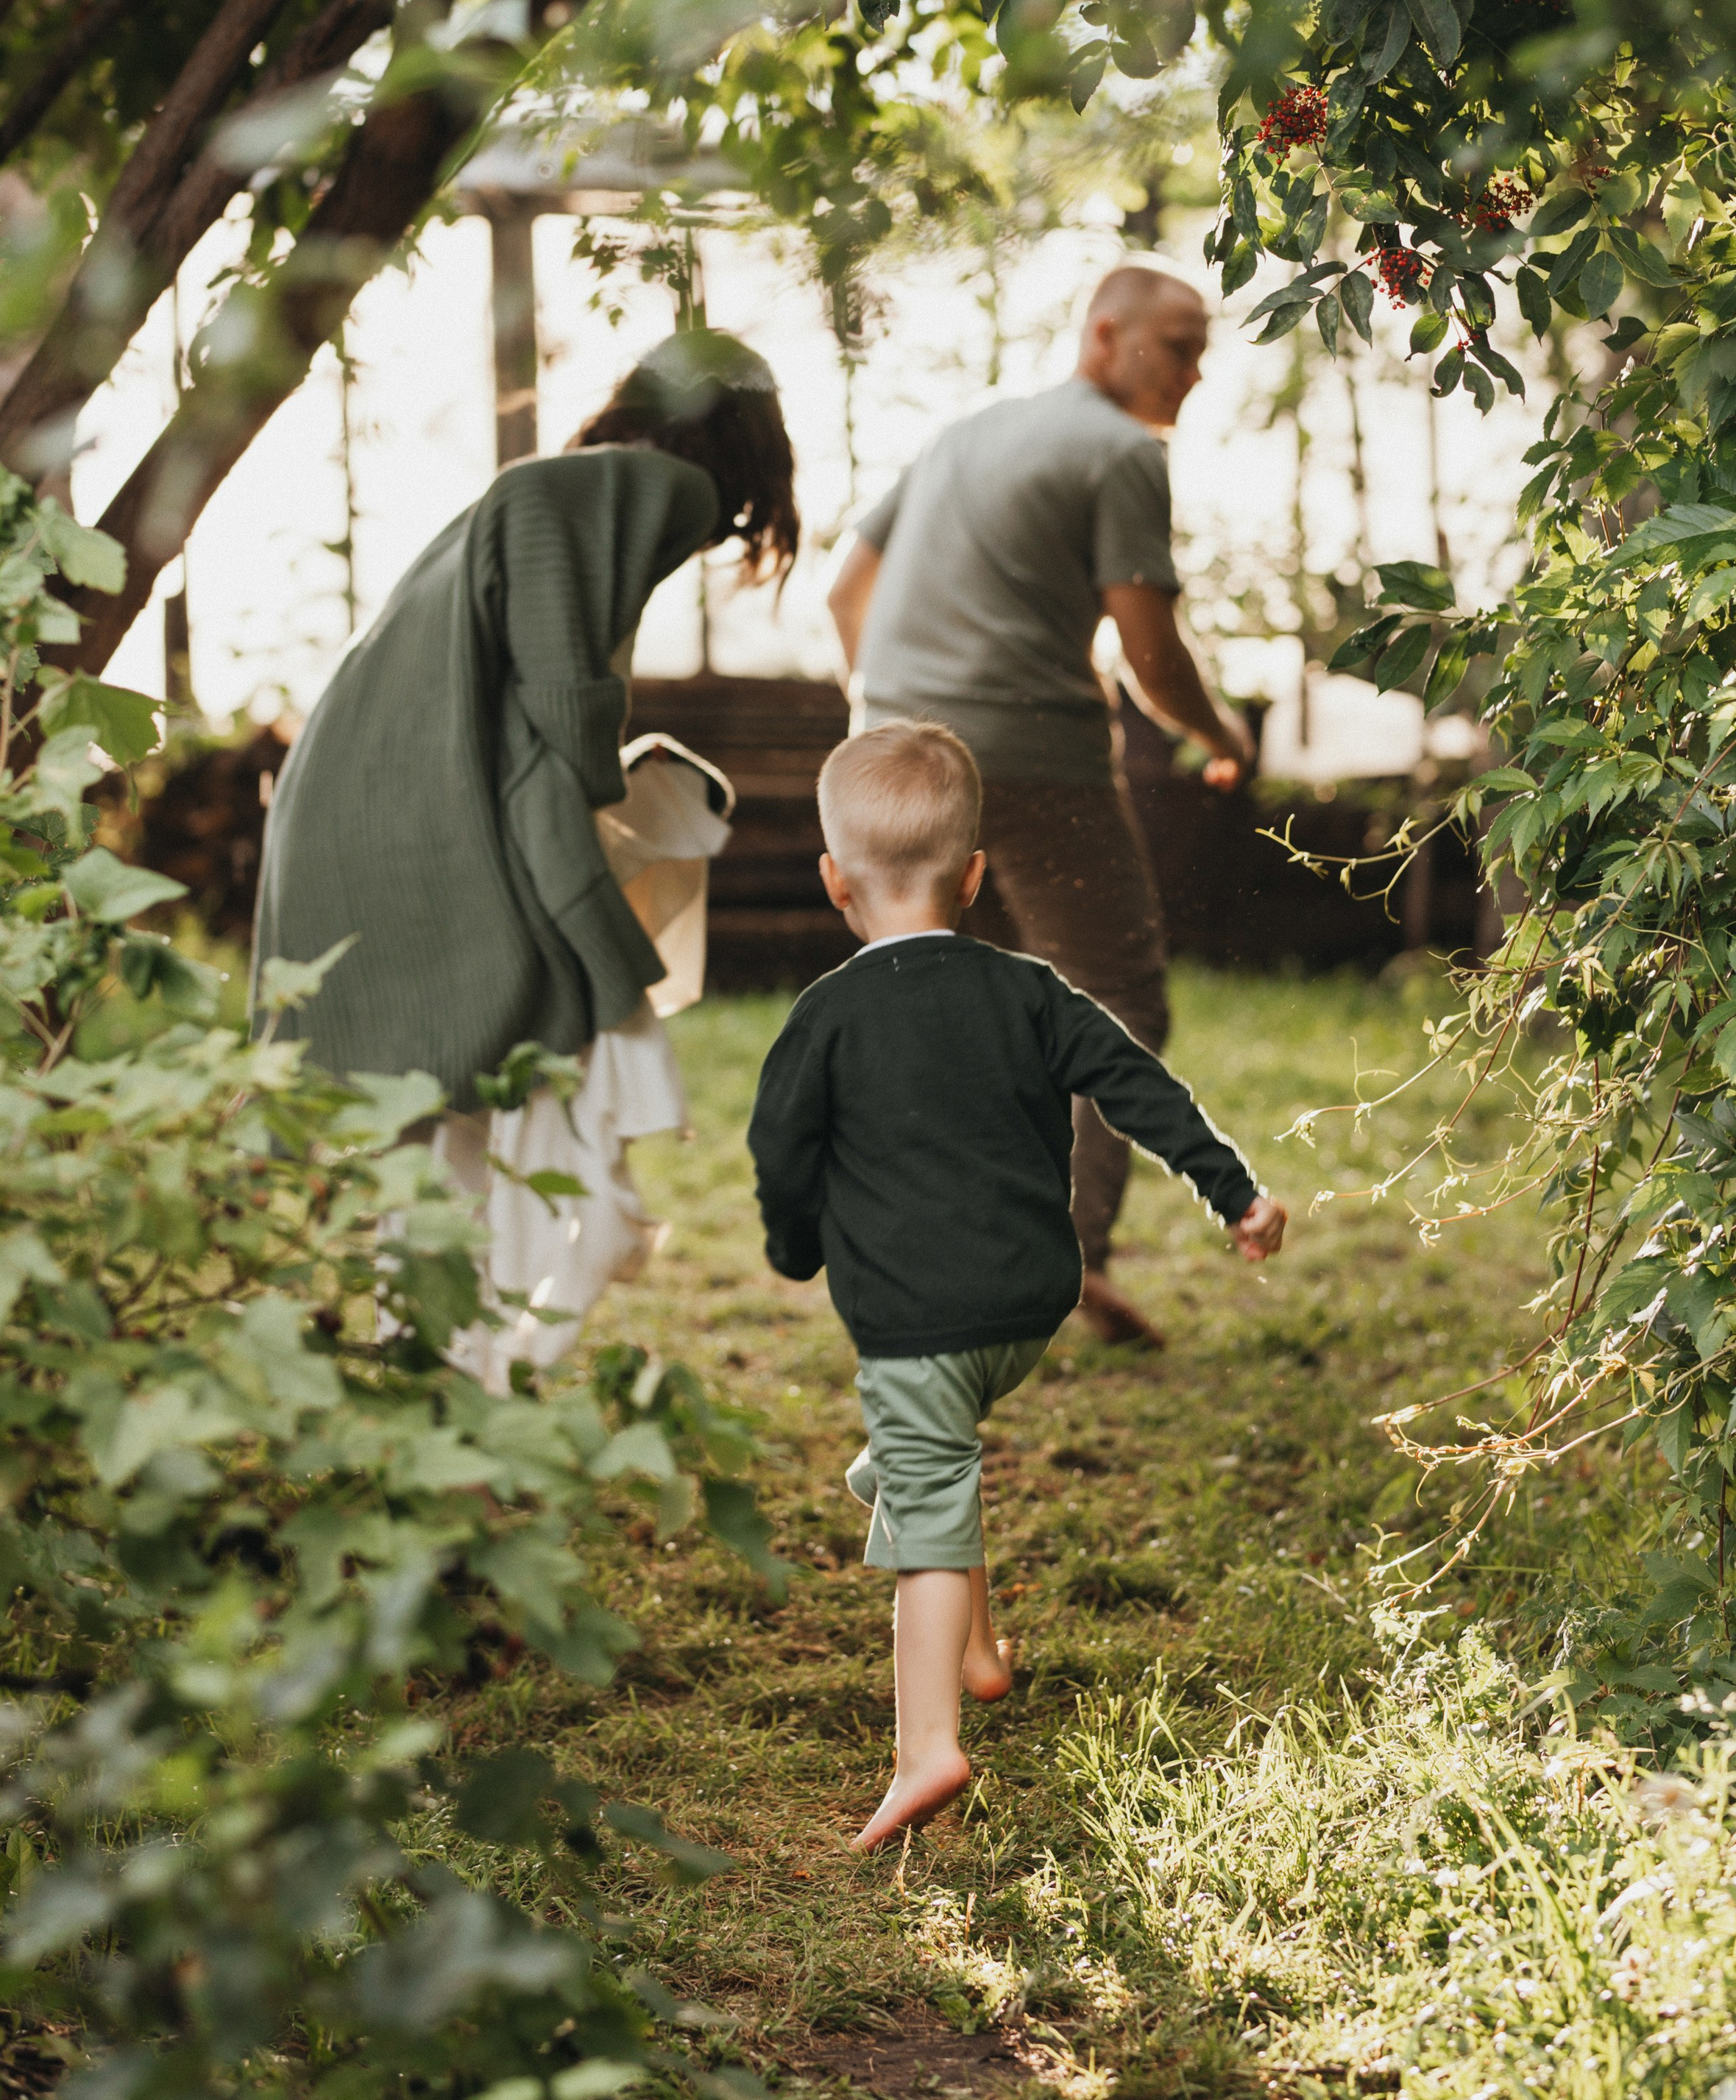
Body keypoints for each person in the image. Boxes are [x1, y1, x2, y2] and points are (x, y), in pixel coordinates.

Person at [748, 724, 1283, 1851]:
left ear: (834, 880)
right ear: (978, 875)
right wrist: (1233, 1194)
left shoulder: (825, 1018)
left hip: (916, 1321)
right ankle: (981, 1648)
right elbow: (1140, 1087)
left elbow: (781, 1155)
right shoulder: (1034, 993)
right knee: (908, 1466)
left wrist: (795, 1248)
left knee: (925, 1507)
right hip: (1030, 1303)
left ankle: (928, 1744)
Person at [254, 329, 798, 1386]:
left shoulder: (551, 490)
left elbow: (534, 714)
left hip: (345, 810)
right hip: (432, 821)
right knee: (482, 1086)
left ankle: (419, 1362)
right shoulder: (652, 491)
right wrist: (609, 851)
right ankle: (454, 1368)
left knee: (427, 1117)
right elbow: (561, 721)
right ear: (741, 451)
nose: (714, 534)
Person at [826, 258, 1253, 1350]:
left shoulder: (963, 434)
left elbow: (845, 590)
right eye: (1180, 345)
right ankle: (1063, 1260)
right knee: (1112, 1007)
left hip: (900, 764)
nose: (1197, 372)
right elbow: (1149, 654)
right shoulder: (1120, 452)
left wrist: (883, 721)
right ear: (1104, 335)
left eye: (1205, 349)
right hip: (1037, 762)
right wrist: (1222, 735)